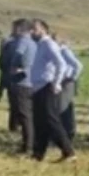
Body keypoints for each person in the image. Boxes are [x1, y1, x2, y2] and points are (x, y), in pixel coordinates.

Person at [28, 20, 75, 162]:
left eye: (34, 29)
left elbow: (61, 63)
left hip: (47, 86)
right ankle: (38, 154)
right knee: (39, 122)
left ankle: (68, 151)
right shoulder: (40, 45)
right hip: (38, 87)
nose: (31, 32)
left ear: (43, 30)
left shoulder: (48, 44)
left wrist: (56, 82)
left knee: (51, 120)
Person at [10, 19, 39, 154]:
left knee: (24, 115)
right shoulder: (33, 43)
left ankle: (27, 146)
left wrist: (16, 66)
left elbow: (18, 56)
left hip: (22, 82)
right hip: (31, 81)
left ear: (20, 29)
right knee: (29, 114)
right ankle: (30, 143)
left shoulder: (23, 41)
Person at [57, 36, 82, 139]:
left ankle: (67, 133)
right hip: (65, 82)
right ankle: (68, 131)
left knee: (63, 108)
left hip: (66, 82)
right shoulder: (63, 51)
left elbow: (78, 65)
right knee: (65, 107)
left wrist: (71, 78)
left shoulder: (64, 51)